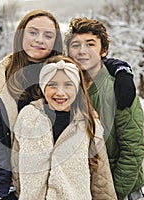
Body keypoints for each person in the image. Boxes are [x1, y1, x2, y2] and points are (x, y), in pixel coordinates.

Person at [0, 9, 135, 200]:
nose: (39, 39)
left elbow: (91, 58)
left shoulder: (60, 68)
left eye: (48, 35)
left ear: (55, 42)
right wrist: (5, 191)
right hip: (8, 185)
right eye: (32, 32)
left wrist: (122, 70)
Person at [12, 55, 116, 200]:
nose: (60, 92)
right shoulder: (28, 117)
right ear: (43, 87)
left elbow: (101, 179)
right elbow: (15, 167)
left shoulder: (89, 124)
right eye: (52, 84)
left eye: (68, 84)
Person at [65, 17, 144, 200]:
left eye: (90, 44)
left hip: (119, 189)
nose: (82, 51)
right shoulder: (64, 90)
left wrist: (113, 193)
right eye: (76, 45)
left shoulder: (119, 89)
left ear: (104, 51)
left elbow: (133, 150)